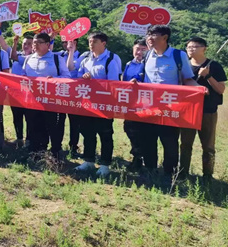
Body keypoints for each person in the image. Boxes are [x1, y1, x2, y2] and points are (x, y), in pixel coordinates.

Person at [131, 25, 204, 176]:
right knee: (148, 140)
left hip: (170, 108)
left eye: (153, 35)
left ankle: (168, 173)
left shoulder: (178, 55)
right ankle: (150, 169)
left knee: (169, 142)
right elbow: (143, 78)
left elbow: (188, 79)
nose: (149, 38)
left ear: (165, 38)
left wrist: (199, 88)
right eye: (148, 35)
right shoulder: (147, 55)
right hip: (148, 107)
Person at [74, 33, 122, 177]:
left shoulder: (111, 60)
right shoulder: (86, 59)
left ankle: (105, 164)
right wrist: (84, 77)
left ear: (104, 43)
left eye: (94, 41)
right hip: (88, 103)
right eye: (89, 41)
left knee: (105, 134)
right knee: (87, 132)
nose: (91, 44)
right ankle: (88, 160)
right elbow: (78, 78)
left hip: (105, 104)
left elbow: (113, 84)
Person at [179, 37, 227, 181]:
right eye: (188, 47)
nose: (190, 49)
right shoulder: (183, 66)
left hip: (208, 110)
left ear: (204, 48)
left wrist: (208, 76)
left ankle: (207, 175)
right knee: (185, 144)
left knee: (208, 145)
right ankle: (183, 173)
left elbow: (221, 89)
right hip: (187, 111)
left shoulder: (214, 66)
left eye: (194, 47)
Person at [21, 32, 70, 159]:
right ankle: (37, 150)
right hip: (32, 100)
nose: (35, 45)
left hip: (52, 101)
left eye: (39, 43)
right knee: (33, 125)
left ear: (47, 44)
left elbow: (67, 77)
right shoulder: (29, 59)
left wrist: (54, 79)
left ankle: (55, 152)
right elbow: (23, 77)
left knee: (53, 127)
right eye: (34, 43)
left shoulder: (57, 59)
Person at [121, 38, 148, 171]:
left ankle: (142, 160)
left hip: (145, 104)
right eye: (137, 49)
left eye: (143, 50)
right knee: (129, 129)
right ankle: (136, 156)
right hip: (130, 103)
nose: (139, 52)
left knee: (142, 132)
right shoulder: (128, 64)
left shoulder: (149, 64)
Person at [57, 38, 83, 158]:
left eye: (67, 42)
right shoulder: (59, 55)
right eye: (63, 42)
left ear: (75, 42)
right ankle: (58, 145)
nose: (64, 44)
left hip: (75, 93)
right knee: (59, 120)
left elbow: (70, 68)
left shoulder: (82, 56)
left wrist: (71, 52)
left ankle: (73, 147)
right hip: (61, 92)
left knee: (75, 122)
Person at [9, 34, 34, 148]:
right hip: (15, 92)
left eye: (29, 43)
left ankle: (29, 139)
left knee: (29, 117)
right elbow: (13, 55)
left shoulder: (33, 58)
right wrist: (14, 43)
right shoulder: (18, 55)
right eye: (24, 43)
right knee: (16, 116)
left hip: (29, 93)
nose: (26, 46)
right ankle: (19, 138)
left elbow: (13, 57)